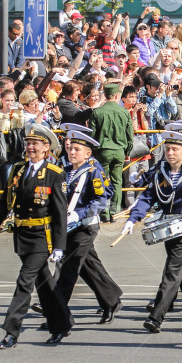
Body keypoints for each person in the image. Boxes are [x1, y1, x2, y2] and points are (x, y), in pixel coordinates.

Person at [121, 131, 182, 333]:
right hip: (168, 225)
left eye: (175, 150)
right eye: (167, 149)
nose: (170, 153)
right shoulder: (162, 169)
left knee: (173, 270)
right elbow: (148, 197)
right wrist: (132, 218)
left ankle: (156, 317)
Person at [0, 125, 74, 348]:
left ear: (46, 148)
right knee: (44, 284)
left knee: (24, 281)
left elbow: (59, 213)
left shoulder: (55, 175)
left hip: (41, 238)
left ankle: (11, 331)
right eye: (28, 143)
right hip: (22, 235)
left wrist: (59, 246)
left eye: (35, 144)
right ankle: (62, 323)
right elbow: (4, 204)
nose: (30, 147)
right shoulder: (18, 170)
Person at [54, 130, 123, 324]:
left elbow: (101, 199)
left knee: (69, 268)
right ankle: (111, 300)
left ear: (87, 154)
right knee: (88, 267)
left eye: (77, 149)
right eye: (71, 148)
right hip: (69, 227)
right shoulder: (66, 172)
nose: (72, 152)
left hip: (85, 227)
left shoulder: (92, 171)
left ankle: (57, 313)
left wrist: (79, 213)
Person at [90, 83, 134, 220]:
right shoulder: (124, 112)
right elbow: (130, 136)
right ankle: (114, 212)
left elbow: (92, 136)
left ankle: (104, 212)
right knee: (117, 181)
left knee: (102, 181)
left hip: (103, 151)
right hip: (120, 151)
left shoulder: (97, 112)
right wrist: (127, 151)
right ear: (116, 96)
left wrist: (94, 151)